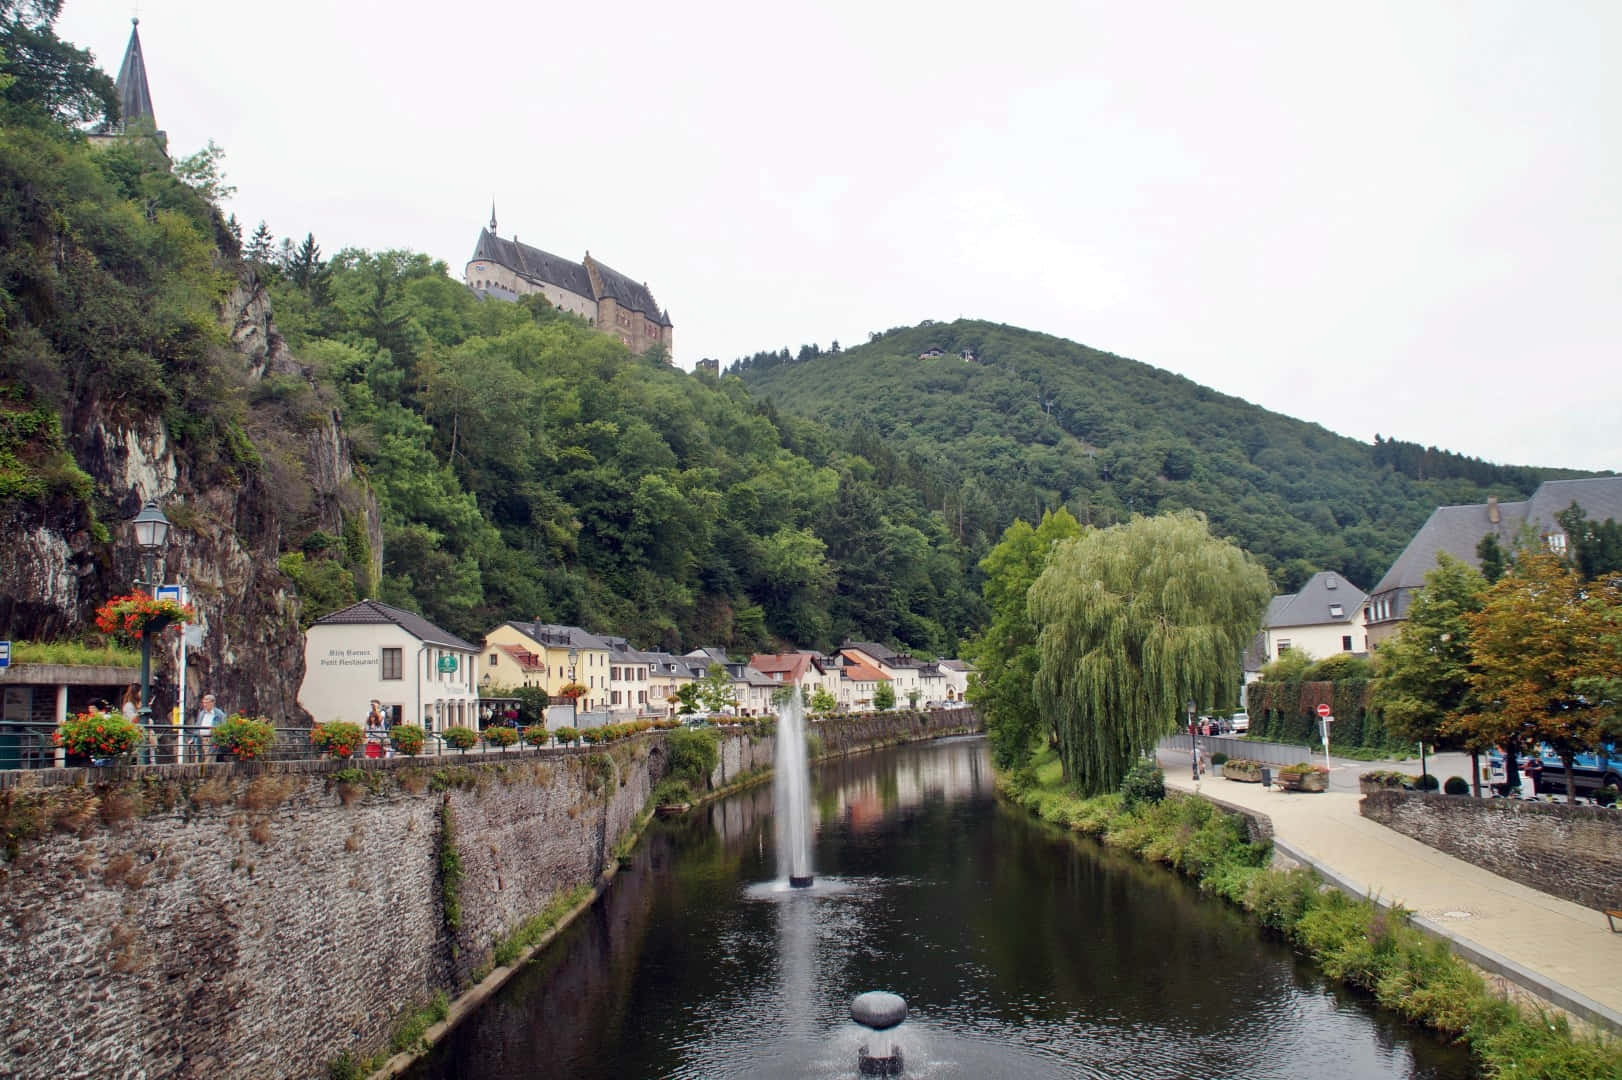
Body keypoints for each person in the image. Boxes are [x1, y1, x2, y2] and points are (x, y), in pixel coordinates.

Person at [193, 693, 224, 764]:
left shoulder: (219, 714)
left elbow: (223, 726)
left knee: (209, 760)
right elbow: (197, 725)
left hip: (211, 739)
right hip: (200, 739)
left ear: (213, 703)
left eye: (207, 703)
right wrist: (193, 738)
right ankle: (199, 774)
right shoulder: (202, 713)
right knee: (199, 759)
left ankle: (206, 774)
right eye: (204, 703)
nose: (205, 705)